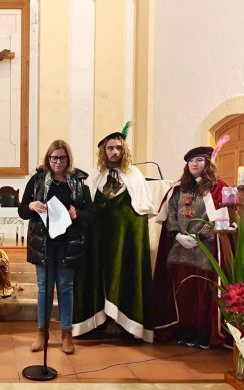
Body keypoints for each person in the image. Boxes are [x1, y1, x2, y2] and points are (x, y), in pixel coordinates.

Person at [72, 126, 155, 343]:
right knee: (94, 276)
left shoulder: (134, 175)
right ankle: (93, 323)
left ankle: (129, 326)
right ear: (103, 151)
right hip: (98, 239)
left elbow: (141, 211)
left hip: (125, 241)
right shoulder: (93, 176)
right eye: (110, 148)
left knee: (127, 275)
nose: (115, 152)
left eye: (119, 147)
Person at [18, 140, 91, 354]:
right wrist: (31, 205)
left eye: (62, 158)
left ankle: (66, 333)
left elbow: (91, 214)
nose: (58, 162)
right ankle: (42, 332)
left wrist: (77, 214)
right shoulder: (38, 180)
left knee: (66, 289)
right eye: (54, 158)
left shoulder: (78, 182)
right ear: (48, 159)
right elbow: (22, 210)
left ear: (68, 159)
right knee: (44, 289)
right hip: (43, 243)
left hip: (68, 244)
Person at [153, 146, 227, 349]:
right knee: (183, 291)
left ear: (208, 164)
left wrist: (201, 234)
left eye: (199, 160)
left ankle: (203, 332)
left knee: (203, 292)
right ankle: (186, 328)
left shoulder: (218, 187)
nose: (194, 164)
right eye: (191, 161)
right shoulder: (178, 189)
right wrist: (177, 234)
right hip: (180, 249)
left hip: (206, 250)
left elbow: (220, 217)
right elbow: (170, 214)